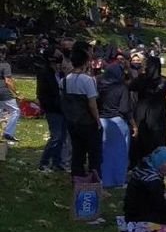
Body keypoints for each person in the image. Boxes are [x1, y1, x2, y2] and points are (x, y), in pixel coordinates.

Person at [63, 42, 103, 178]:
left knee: (77, 153)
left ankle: (77, 179)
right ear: (85, 62)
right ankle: (94, 182)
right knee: (94, 155)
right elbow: (92, 104)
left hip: (72, 121)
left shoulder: (65, 79)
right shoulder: (87, 80)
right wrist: (98, 121)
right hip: (87, 122)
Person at [123, 146, 166, 224]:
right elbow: (160, 205)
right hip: (143, 217)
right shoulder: (152, 180)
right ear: (159, 162)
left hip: (133, 213)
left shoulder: (141, 170)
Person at [128, 55, 166, 168]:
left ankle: (142, 162)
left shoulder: (143, 79)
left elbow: (132, 86)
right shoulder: (163, 80)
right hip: (156, 113)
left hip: (145, 111)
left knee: (147, 137)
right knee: (151, 138)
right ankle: (151, 163)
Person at [97, 62, 133, 188]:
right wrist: (133, 123)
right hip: (117, 121)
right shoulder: (122, 87)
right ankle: (118, 180)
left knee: (102, 153)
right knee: (120, 154)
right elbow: (125, 108)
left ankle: (102, 178)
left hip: (101, 121)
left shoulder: (99, 85)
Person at [35, 49, 66, 171]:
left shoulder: (60, 74)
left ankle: (56, 163)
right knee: (56, 136)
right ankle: (44, 162)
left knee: (62, 137)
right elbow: (42, 93)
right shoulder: (44, 73)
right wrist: (49, 106)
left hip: (63, 108)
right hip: (53, 109)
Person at [0, 45, 21, 143]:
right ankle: (8, 133)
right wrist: (16, 93)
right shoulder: (5, 65)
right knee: (15, 111)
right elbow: (8, 81)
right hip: (3, 92)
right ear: (4, 54)